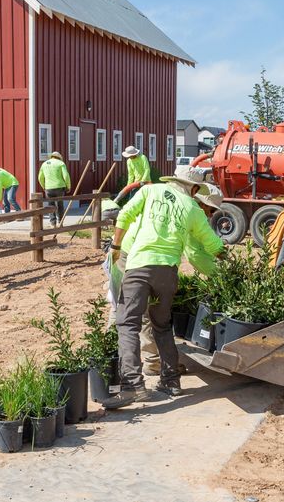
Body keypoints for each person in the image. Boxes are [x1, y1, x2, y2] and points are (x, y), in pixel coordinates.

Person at [102, 169, 225, 409]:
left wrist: (116, 246)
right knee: (162, 324)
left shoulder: (150, 190)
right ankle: (170, 381)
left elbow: (125, 214)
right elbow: (213, 244)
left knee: (127, 324)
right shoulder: (191, 208)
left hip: (139, 266)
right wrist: (232, 265)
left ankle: (132, 386)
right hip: (167, 273)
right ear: (192, 188)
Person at [38, 152, 71, 226]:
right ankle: (61, 222)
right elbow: (66, 176)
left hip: (48, 188)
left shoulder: (44, 164)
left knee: (51, 205)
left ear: (51, 157)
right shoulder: (60, 163)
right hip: (59, 187)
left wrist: (43, 186)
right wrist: (68, 186)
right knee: (60, 205)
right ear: (59, 157)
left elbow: (40, 177)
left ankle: (53, 223)